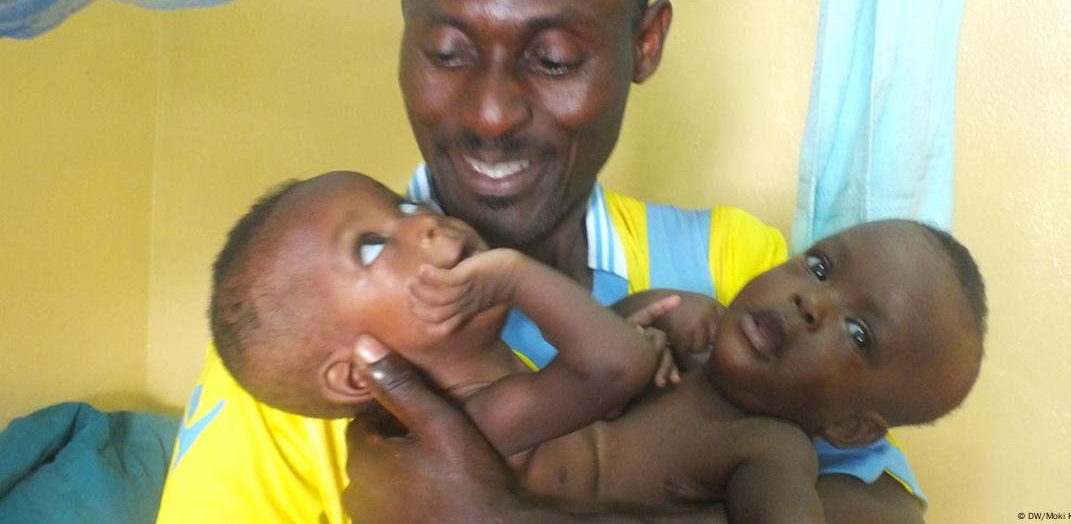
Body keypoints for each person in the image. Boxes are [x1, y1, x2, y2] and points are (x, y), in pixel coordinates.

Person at [156, 0, 928, 522]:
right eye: (447, 53)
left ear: (646, 44)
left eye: (553, 59)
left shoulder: (739, 267)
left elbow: (889, 505)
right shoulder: (295, 336)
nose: (490, 114)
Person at [208, 172, 984, 523]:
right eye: (818, 266)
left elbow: (612, 367)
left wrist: (640, 314)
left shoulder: (771, 452)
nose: (812, 302)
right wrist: (644, 316)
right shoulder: (462, 426)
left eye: (856, 333)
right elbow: (609, 366)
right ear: (351, 369)